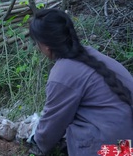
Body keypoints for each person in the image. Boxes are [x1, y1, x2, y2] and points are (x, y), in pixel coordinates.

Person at [28, 8, 133, 155]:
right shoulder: (94, 56)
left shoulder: (63, 73)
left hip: (107, 151)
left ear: (45, 45)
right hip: (127, 148)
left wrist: (35, 140)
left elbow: (51, 128)